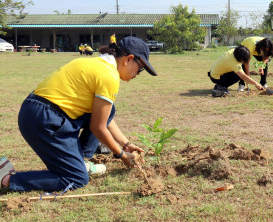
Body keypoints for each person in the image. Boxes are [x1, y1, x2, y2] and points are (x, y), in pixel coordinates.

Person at [0, 37, 158, 192]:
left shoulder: (94, 63)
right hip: (45, 119)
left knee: (109, 109)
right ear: (129, 59)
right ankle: (7, 179)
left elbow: (104, 118)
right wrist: (122, 155)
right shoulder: (109, 76)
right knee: (77, 179)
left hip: (34, 110)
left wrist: (126, 144)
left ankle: (79, 161)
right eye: (140, 68)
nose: (138, 73)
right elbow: (98, 127)